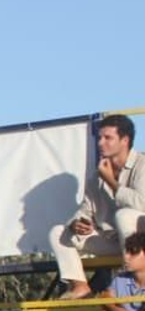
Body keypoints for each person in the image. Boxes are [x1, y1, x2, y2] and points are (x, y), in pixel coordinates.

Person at [48, 114, 144, 299]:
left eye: (108, 138)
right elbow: (85, 210)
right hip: (113, 240)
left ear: (125, 140)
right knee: (58, 232)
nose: (100, 143)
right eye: (99, 137)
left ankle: (133, 283)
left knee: (124, 216)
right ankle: (80, 287)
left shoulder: (142, 164)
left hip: (140, 242)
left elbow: (142, 204)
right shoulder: (97, 175)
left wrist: (111, 182)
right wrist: (77, 223)